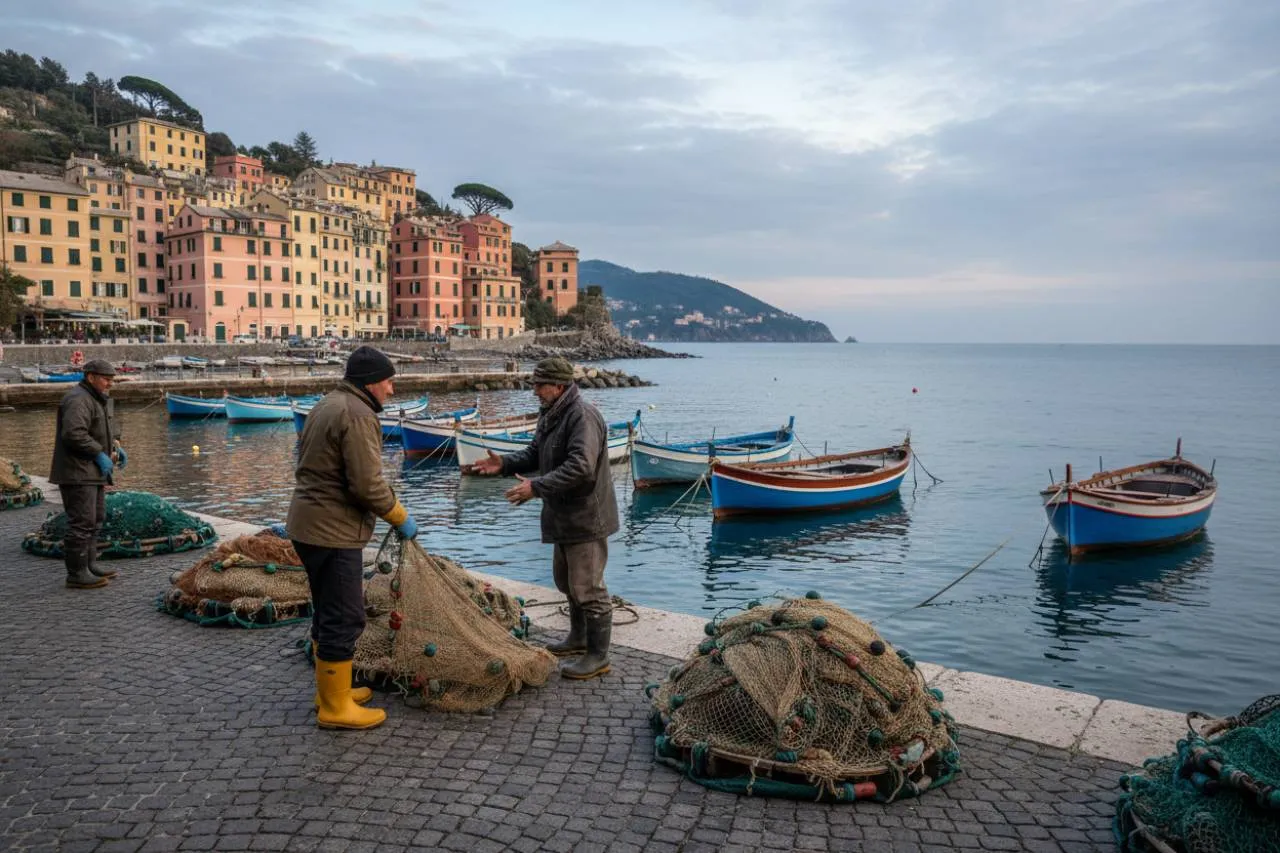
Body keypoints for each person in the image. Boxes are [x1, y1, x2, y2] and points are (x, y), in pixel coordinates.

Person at [287, 345, 420, 730]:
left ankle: (334, 690)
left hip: (308, 524)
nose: (392, 390)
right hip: (332, 531)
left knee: (327, 611)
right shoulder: (359, 415)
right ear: (371, 383)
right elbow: (366, 485)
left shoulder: (328, 403)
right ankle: (334, 707)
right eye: (389, 382)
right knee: (345, 617)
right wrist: (399, 515)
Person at [465, 356, 620, 680]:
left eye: (539, 384)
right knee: (566, 582)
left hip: (585, 517)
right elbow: (536, 453)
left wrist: (536, 487)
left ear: (558, 386)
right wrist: (504, 464)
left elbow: (581, 466)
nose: (534, 390)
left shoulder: (581, 416)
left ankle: (598, 655)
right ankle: (578, 638)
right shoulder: (552, 413)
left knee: (588, 587)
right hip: (563, 514)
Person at [48, 359, 127, 589]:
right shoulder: (78, 399)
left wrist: (115, 446)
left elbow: (101, 429)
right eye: (106, 379)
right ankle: (76, 573)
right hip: (76, 472)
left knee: (96, 519)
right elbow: (73, 434)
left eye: (112, 380)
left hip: (91, 472)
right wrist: (99, 453)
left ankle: (90, 565)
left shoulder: (97, 399)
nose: (110, 384)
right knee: (82, 523)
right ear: (90, 377)